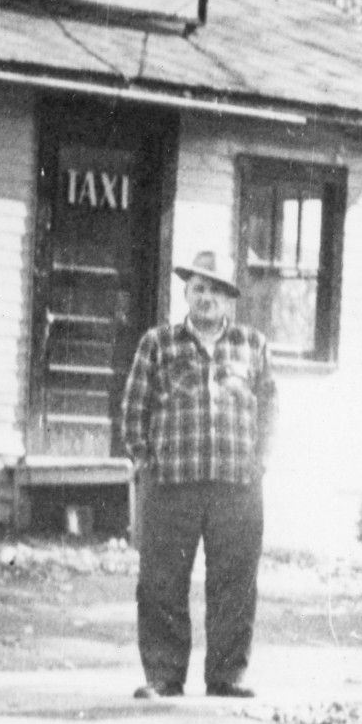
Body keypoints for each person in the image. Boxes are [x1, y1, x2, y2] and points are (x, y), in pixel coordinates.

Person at [119, 251, 277, 699]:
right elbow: (135, 407)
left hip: (237, 485)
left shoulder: (252, 344)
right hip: (173, 483)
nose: (206, 298)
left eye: (216, 290)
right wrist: (146, 461)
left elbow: (270, 407)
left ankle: (227, 678)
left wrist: (261, 459)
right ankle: (163, 677)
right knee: (162, 582)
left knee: (235, 583)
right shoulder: (158, 343)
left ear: (229, 299)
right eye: (198, 288)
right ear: (186, 293)